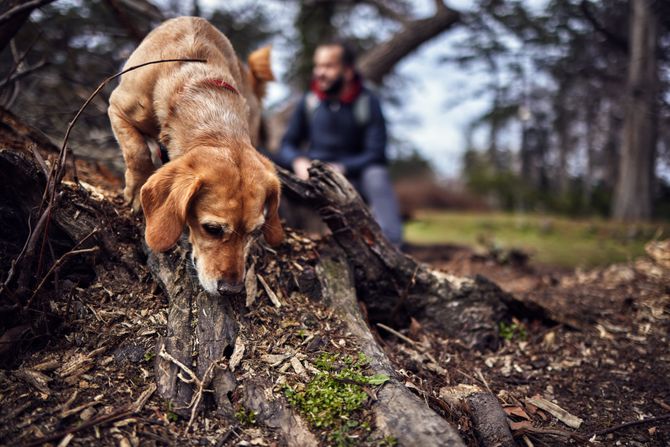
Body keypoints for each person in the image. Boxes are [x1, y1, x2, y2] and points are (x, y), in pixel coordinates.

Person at [274, 41, 403, 246]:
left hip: (353, 178)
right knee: (264, 161)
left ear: (348, 71)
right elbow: (287, 144)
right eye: (318, 66)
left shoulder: (367, 102)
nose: (320, 73)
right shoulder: (309, 101)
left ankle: (391, 246)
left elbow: (376, 153)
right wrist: (298, 160)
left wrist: (342, 168)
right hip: (310, 175)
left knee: (377, 175)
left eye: (329, 66)